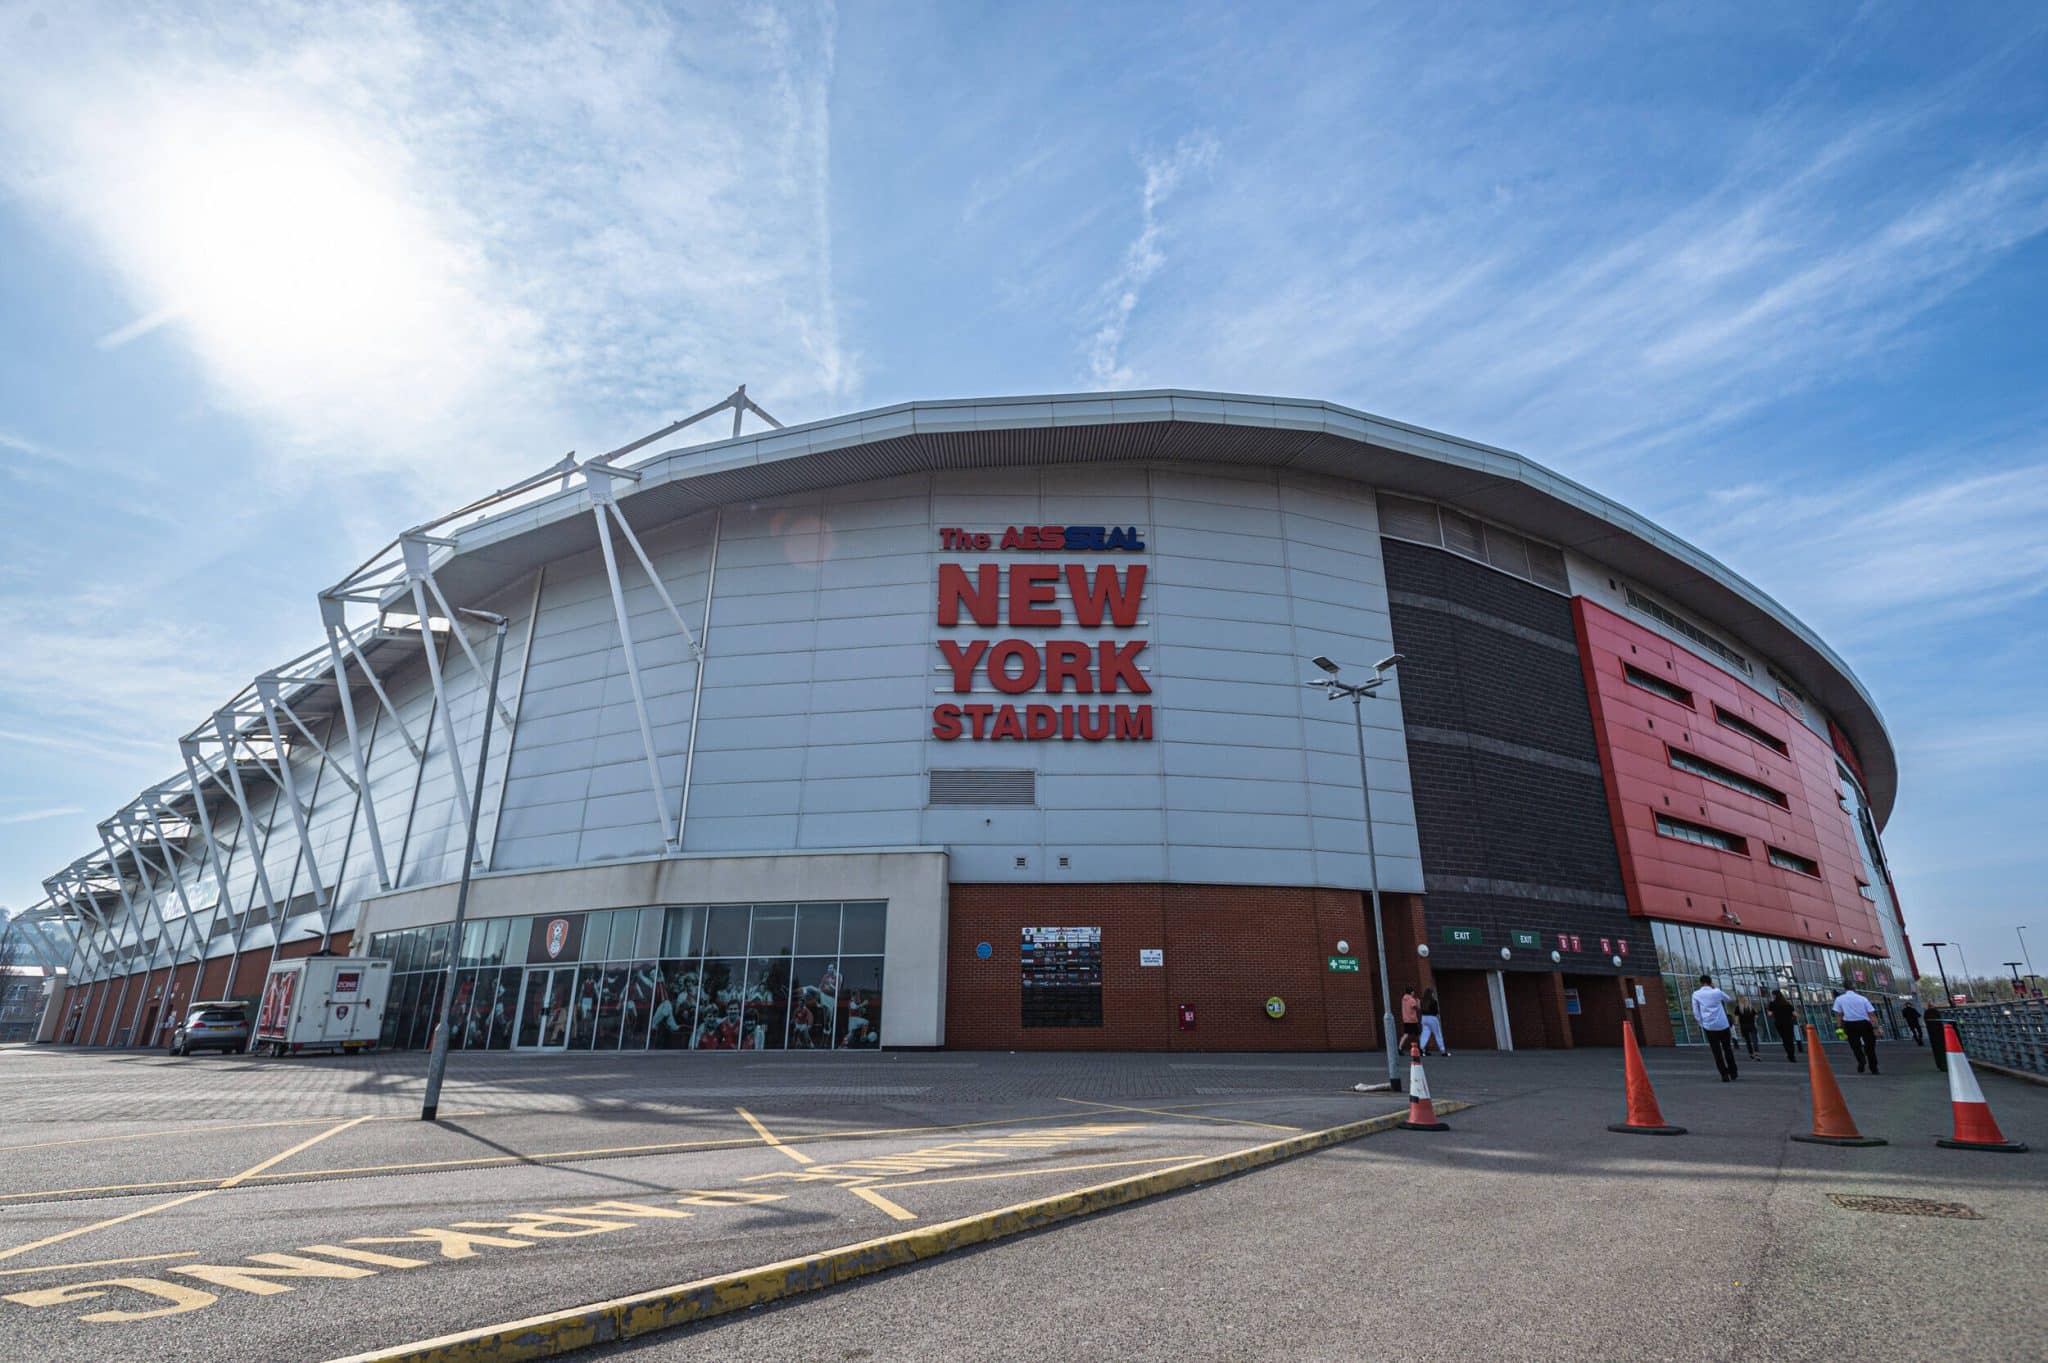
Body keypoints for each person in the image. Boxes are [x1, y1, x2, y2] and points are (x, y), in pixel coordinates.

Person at [1691, 974, 1739, 1081]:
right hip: (1723, 1024)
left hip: (1709, 1026)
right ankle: (1733, 1071)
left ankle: (1724, 1074)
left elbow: (1696, 1011)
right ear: (1710, 982)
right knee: (1727, 1049)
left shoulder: (1696, 994)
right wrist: (1715, 988)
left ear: (1701, 982)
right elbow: (1728, 999)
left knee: (1716, 1051)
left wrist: (1701, 1023)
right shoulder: (1716, 992)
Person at [1832, 985, 1880, 1074]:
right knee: (1870, 1046)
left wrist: (1839, 1027)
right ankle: (1874, 1067)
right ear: (1854, 989)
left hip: (1849, 1024)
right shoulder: (1862, 999)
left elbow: (1839, 1014)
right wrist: (1876, 1027)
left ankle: (1861, 1059)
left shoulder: (1840, 999)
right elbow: (1871, 1014)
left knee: (1855, 1045)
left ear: (1845, 989)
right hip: (1865, 1023)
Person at [1766, 990, 1799, 1062]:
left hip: (1779, 1023)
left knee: (1784, 1039)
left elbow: (1769, 1014)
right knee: (1790, 1039)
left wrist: (1770, 1010)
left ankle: (1789, 1054)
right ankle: (1792, 1055)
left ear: (1774, 995)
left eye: (1773, 995)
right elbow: (1795, 1014)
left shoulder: (1772, 1004)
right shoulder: (1787, 1004)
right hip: (1789, 1023)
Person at [1418, 987, 1449, 1056]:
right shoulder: (1433, 1001)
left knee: (1424, 1034)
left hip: (1424, 1018)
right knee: (1438, 1034)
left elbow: (1420, 1009)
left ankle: (1421, 1049)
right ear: (1431, 994)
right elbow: (1436, 1011)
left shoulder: (1422, 1001)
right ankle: (1443, 1051)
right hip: (1432, 1018)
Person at [1922, 1002, 1946, 1072]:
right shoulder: (1935, 1012)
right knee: (1942, 1048)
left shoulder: (1926, 1013)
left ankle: (1940, 1064)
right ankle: (1943, 1064)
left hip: (1932, 1033)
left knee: (1936, 1049)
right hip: (1939, 1032)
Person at [1736, 996, 1762, 1061]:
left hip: (1744, 1027)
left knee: (1748, 1041)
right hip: (1752, 1026)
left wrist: (1737, 1026)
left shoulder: (1738, 1008)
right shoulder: (1751, 1007)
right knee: (1755, 1040)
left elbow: (1737, 1019)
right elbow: (1756, 1016)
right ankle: (1757, 1054)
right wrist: (1753, 1019)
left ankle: (1751, 1054)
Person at [1399, 987, 1422, 1054]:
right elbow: (1418, 1008)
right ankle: (1422, 1048)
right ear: (1411, 992)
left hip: (1406, 1019)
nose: (1414, 993)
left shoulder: (1403, 999)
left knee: (1406, 1034)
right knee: (1418, 1034)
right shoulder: (1412, 1000)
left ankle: (1399, 1047)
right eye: (1413, 991)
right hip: (1412, 1020)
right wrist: (1418, 1002)